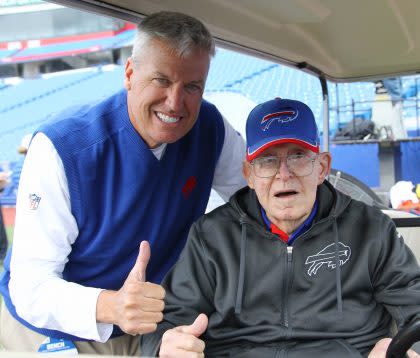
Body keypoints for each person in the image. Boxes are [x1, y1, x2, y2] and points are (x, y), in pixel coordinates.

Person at [0, 11, 246, 355]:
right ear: (130, 73)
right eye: (161, 80)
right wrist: (113, 306)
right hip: (54, 328)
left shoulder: (210, 128)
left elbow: (256, 196)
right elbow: (30, 289)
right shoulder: (63, 148)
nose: (175, 103)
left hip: (150, 321)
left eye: (192, 87)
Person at [141, 98, 420, 357]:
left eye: (298, 156)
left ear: (322, 167)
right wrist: (166, 343)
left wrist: (399, 347)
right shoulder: (210, 236)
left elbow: (415, 308)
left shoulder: (371, 229)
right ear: (249, 175)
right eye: (267, 160)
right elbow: (167, 322)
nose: (283, 174)